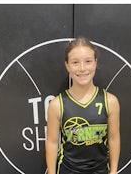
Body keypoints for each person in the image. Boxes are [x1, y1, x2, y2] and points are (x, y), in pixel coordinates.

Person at [46, 37, 120, 174]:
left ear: (95, 63)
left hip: (101, 170)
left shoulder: (110, 101)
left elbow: (114, 138)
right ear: (67, 65)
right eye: (75, 62)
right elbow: (51, 142)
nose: (82, 68)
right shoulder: (57, 104)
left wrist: (114, 171)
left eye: (88, 61)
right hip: (68, 170)